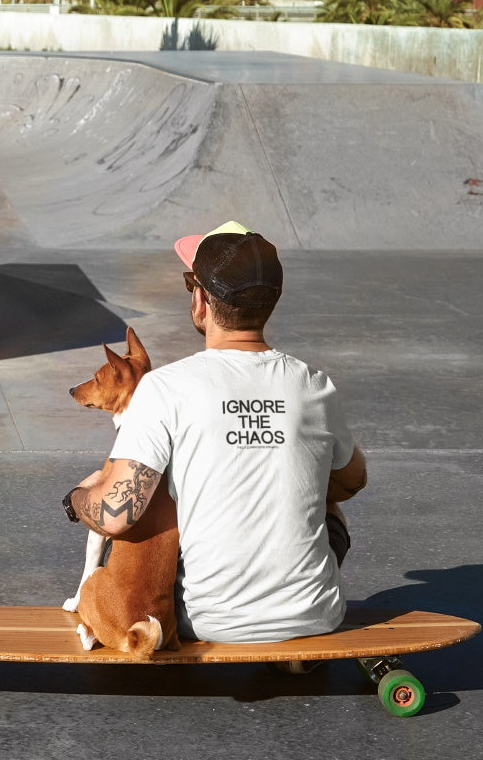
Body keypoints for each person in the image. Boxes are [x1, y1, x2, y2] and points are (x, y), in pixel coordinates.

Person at [63, 221, 366, 643]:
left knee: (156, 502)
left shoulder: (165, 388)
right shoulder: (313, 384)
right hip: (318, 613)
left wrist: (76, 500)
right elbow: (353, 481)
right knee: (327, 496)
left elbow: (116, 515)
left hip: (206, 620)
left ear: (200, 300)